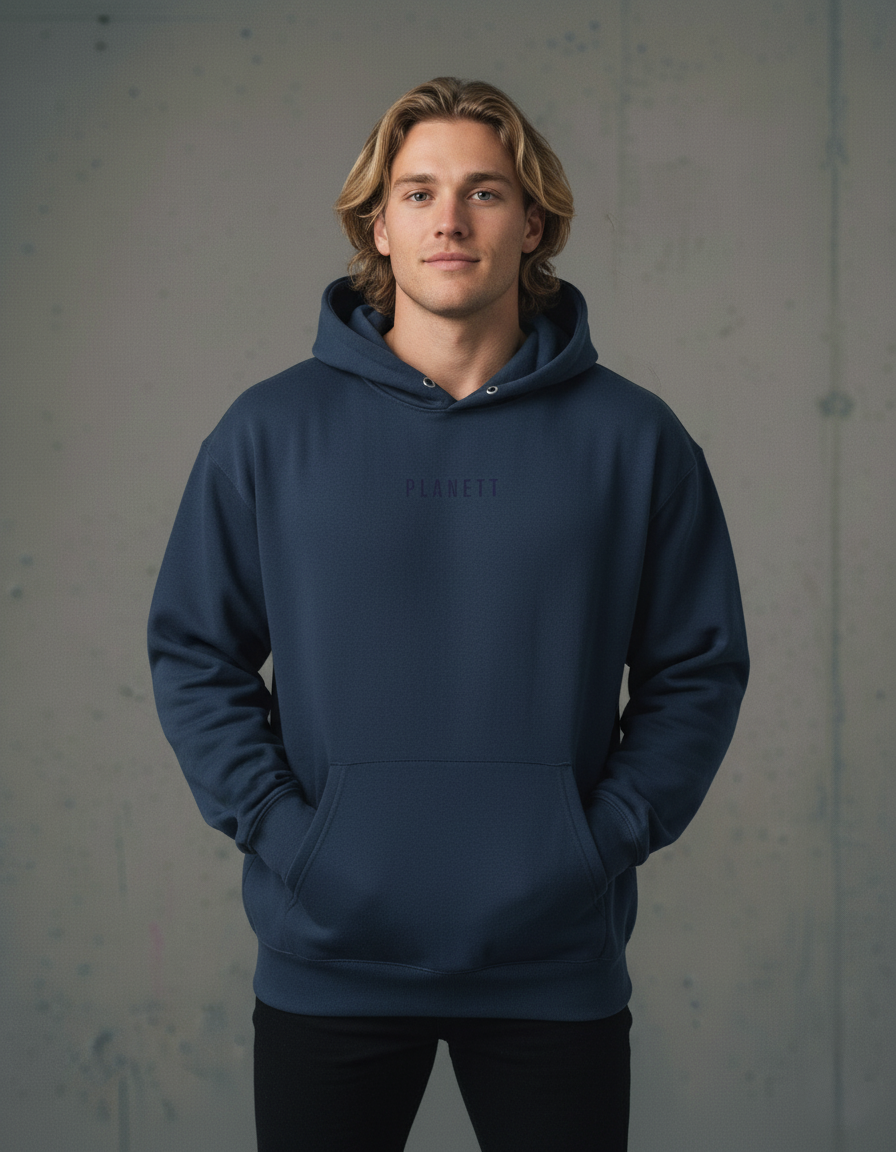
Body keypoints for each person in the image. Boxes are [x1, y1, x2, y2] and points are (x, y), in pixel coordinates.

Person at [147, 76, 749, 1152]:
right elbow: (195, 652)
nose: (449, 219)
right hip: (327, 953)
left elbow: (696, 667)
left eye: (484, 192)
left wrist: (595, 841)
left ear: (534, 223)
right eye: (418, 191)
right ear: (377, 223)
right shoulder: (267, 433)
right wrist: (296, 842)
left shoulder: (634, 440)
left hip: (549, 958)